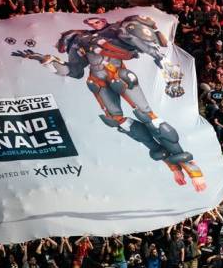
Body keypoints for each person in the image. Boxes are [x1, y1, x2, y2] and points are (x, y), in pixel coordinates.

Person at [13, 15, 206, 192]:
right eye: (90, 21)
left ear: (103, 19)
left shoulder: (119, 30)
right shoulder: (80, 40)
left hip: (120, 76)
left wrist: (166, 69)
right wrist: (45, 60)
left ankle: (190, 165)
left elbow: (147, 47)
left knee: (149, 118)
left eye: (96, 20)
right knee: (120, 122)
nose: (92, 23)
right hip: (98, 83)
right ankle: (172, 166)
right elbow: (73, 71)